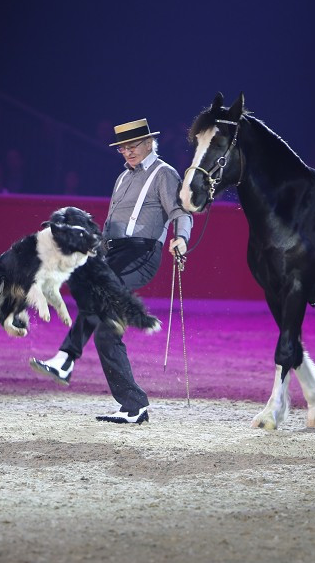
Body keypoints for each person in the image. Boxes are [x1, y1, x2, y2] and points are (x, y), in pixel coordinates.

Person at [28, 118, 192, 424]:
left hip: (141, 252)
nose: (127, 152)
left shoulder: (164, 173)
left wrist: (181, 237)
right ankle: (133, 405)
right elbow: (110, 225)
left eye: (132, 146)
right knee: (105, 332)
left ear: (148, 143)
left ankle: (66, 358)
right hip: (114, 252)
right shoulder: (121, 179)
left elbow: (180, 211)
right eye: (123, 148)